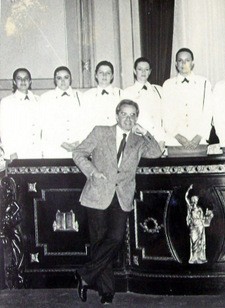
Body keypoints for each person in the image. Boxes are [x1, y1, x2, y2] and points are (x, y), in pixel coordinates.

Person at [73, 99, 163, 304]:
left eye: (133, 115)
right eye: (124, 114)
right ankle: (106, 292)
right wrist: (92, 172)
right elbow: (78, 153)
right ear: (116, 115)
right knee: (98, 242)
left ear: (136, 119)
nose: (128, 118)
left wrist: (145, 132)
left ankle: (84, 275)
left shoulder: (139, 141)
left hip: (121, 196)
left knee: (115, 238)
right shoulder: (100, 131)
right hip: (97, 193)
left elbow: (157, 152)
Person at [162, 48, 214, 150]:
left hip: (199, 141)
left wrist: (199, 136)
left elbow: (208, 112)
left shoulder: (204, 83)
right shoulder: (168, 85)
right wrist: (178, 136)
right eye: (180, 60)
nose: (183, 63)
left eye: (187, 60)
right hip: (174, 142)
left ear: (192, 63)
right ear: (176, 64)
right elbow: (165, 114)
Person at [40, 66, 84, 158]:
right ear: (55, 80)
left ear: (71, 79)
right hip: (54, 149)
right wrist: (61, 143)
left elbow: (85, 122)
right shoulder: (45, 98)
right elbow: (44, 125)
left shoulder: (81, 97)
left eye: (66, 77)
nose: (63, 81)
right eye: (59, 78)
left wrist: (79, 141)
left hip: (77, 148)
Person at [0, 68, 42, 159]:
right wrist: (11, 151)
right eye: (19, 78)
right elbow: (4, 130)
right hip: (18, 153)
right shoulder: (7, 102)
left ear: (30, 81)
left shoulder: (38, 100)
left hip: (37, 152)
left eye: (26, 78)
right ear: (14, 82)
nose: (23, 81)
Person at [122, 57, 165, 144]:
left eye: (146, 69)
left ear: (150, 72)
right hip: (139, 140)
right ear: (135, 71)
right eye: (140, 69)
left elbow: (163, 117)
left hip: (158, 139)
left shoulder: (159, 90)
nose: (143, 72)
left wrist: (162, 139)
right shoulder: (127, 92)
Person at [82, 61, 122, 132]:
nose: (104, 75)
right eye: (101, 73)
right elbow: (83, 121)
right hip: (94, 138)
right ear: (96, 75)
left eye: (108, 73)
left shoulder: (121, 94)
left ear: (112, 76)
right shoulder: (87, 96)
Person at [185, 184, 213, 264]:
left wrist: (208, 215)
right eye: (193, 200)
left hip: (200, 225)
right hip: (193, 226)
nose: (194, 202)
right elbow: (185, 198)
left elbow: (202, 218)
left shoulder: (199, 209)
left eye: (195, 200)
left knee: (200, 241)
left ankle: (200, 257)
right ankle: (194, 258)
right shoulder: (190, 208)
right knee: (194, 241)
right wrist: (188, 189)